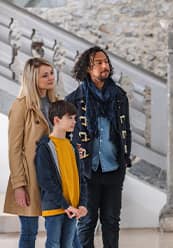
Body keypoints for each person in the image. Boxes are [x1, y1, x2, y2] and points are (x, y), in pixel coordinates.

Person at [66, 46, 131, 248]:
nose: (105, 66)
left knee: (111, 222)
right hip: (86, 171)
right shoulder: (74, 100)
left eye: (106, 62)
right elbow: (69, 139)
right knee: (86, 222)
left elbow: (125, 130)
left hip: (113, 168)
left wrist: (124, 160)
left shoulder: (119, 96)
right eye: (99, 63)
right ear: (87, 68)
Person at [3, 57, 57, 247]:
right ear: (32, 78)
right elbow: (15, 149)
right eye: (45, 75)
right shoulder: (21, 106)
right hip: (29, 178)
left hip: (54, 176)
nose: (51, 78)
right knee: (29, 232)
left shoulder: (56, 103)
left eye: (51, 73)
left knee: (60, 230)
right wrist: (19, 185)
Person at [35, 100, 88, 248]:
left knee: (67, 244)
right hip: (55, 207)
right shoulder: (45, 147)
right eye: (70, 118)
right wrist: (65, 205)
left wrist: (82, 204)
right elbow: (46, 181)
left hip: (73, 208)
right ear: (57, 120)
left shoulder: (72, 147)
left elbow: (81, 179)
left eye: (75, 118)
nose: (74, 121)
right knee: (53, 244)